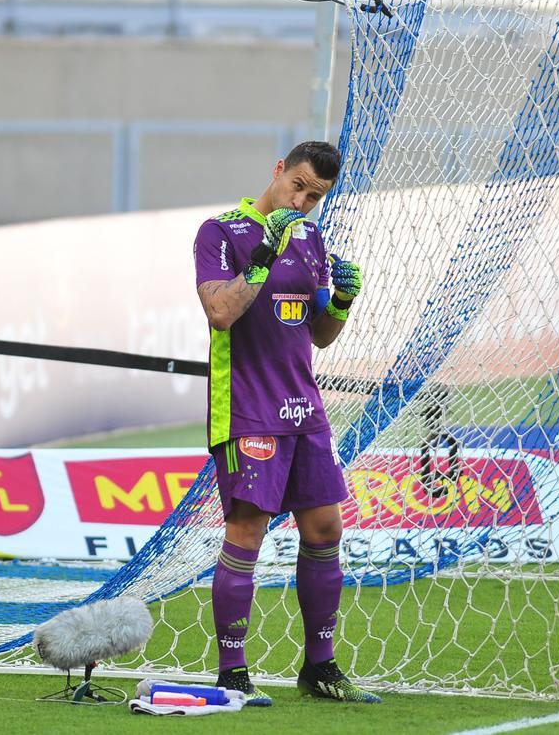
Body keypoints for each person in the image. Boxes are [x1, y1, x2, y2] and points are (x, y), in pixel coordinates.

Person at [192, 141, 380, 705]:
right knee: (246, 532)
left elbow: (318, 334)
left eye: (314, 196)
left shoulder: (311, 238)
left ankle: (319, 667)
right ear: (278, 170)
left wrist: (341, 300)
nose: (301, 201)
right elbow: (220, 312)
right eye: (297, 185)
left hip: (305, 409)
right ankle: (232, 673)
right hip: (248, 407)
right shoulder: (220, 232)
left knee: (325, 530)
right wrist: (259, 261)